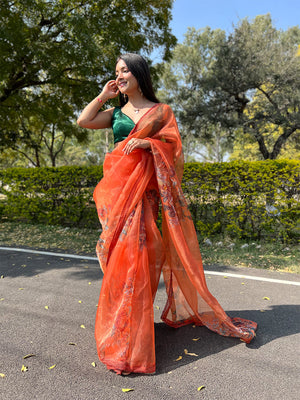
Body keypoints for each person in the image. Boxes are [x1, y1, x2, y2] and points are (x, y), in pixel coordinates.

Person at [77, 53, 257, 375]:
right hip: (118, 197)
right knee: (121, 262)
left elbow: (173, 150)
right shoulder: (116, 112)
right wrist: (104, 95)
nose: (119, 76)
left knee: (141, 260)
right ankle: (125, 330)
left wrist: (149, 146)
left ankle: (133, 337)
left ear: (139, 73)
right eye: (116, 72)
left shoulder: (161, 112)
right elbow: (84, 121)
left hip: (144, 197)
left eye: (124, 70)